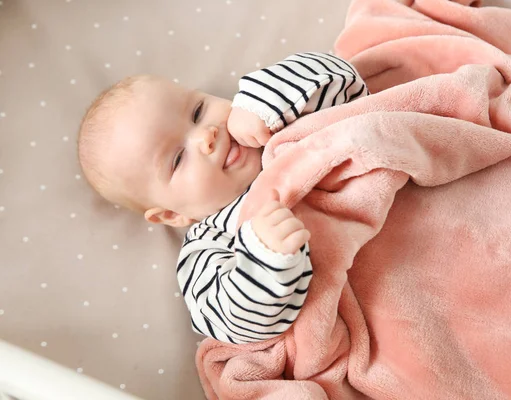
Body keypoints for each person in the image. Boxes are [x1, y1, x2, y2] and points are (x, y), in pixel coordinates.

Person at [77, 52, 368, 343]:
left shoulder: (282, 122)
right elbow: (231, 321)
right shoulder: (210, 241)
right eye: (178, 159)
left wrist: (261, 105)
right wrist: (263, 258)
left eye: (197, 112)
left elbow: (344, 79)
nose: (205, 136)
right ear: (172, 215)